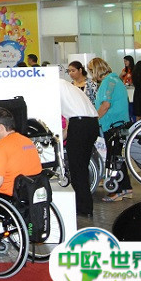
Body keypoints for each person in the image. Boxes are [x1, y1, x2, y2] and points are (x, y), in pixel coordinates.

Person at [88, 57, 133, 202]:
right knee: (117, 156)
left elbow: (105, 105)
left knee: (114, 157)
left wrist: (95, 119)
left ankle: (119, 190)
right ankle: (126, 188)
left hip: (114, 124)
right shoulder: (114, 80)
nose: (91, 74)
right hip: (118, 123)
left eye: (91, 71)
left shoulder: (108, 82)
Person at [57, 79, 99, 218]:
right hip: (91, 123)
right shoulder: (67, 86)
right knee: (82, 167)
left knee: (77, 169)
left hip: (79, 124)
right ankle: (85, 206)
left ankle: (83, 207)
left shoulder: (55, 86)